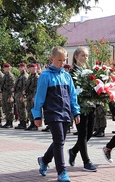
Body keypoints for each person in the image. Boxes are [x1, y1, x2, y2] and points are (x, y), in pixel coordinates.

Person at [32, 46, 80, 182]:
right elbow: (39, 97)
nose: (62, 63)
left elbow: (72, 96)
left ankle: (44, 160)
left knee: (60, 140)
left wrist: (76, 111)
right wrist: (37, 115)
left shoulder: (67, 76)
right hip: (52, 112)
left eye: (64, 60)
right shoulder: (45, 76)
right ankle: (62, 172)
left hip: (65, 112)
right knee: (59, 141)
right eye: (59, 60)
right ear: (52, 59)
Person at [68, 46, 97, 172]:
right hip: (79, 107)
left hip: (91, 105)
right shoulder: (72, 72)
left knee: (90, 133)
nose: (85, 58)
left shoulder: (90, 71)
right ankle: (86, 162)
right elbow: (72, 89)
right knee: (82, 134)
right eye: (82, 55)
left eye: (86, 55)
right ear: (76, 57)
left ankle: (73, 151)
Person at [0, 63, 15, 128]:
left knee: (9, 109)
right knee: (5, 109)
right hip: (4, 94)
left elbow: (12, 87)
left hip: (8, 94)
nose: (5, 69)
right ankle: (7, 121)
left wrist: (10, 96)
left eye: (6, 68)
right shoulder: (5, 76)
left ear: (9, 68)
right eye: (4, 68)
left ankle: (10, 122)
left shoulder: (10, 76)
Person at [13, 63, 28, 129]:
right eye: (20, 67)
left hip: (21, 95)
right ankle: (21, 122)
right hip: (18, 94)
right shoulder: (20, 76)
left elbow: (25, 87)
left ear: (25, 67)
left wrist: (23, 96)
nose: (20, 68)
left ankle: (24, 123)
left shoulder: (25, 76)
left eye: (22, 67)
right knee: (19, 109)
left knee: (23, 109)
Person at [24, 63, 39, 131]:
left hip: (34, 95)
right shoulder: (30, 77)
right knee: (29, 109)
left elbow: (37, 88)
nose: (31, 69)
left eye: (33, 68)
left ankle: (35, 125)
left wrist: (35, 96)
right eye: (30, 68)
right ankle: (32, 123)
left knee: (34, 110)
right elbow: (27, 85)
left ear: (36, 68)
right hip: (29, 95)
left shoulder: (37, 77)